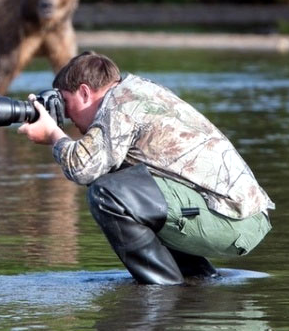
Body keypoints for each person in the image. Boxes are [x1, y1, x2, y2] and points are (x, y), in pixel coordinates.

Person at [18, 51, 274, 285]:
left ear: (85, 92)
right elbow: (97, 166)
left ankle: (163, 290)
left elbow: (82, 168)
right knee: (123, 186)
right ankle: (197, 281)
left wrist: (53, 134)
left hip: (232, 218)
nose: (66, 115)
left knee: (107, 193)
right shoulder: (136, 91)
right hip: (238, 216)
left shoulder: (120, 103)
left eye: (64, 102)